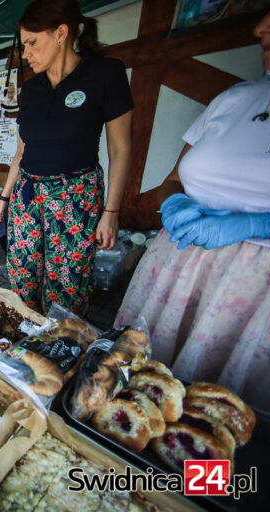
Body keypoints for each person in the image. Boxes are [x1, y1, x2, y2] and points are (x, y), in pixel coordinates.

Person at [116, 12, 270, 410]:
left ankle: (205, 458)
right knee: (141, 384)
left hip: (253, 289)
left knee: (216, 409)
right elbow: (173, 179)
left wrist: (257, 224)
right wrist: (174, 201)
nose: (260, 28)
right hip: (178, 262)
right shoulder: (236, 98)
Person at [0, 0, 133, 314]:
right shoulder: (32, 89)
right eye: (24, 45)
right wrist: (4, 198)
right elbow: (21, 152)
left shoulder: (105, 73)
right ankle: (26, 333)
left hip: (75, 195)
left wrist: (111, 211)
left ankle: (60, 340)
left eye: (32, 43)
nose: (26, 53)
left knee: (66, 285)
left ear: (60, 34)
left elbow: (120, 149)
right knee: (22, 276)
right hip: (27, 194)